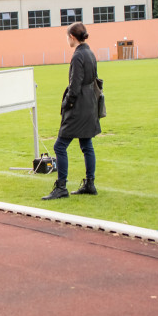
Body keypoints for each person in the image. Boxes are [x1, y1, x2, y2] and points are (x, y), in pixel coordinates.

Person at [43, 22, 101, 200]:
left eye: (67, 36)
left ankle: (61, 186)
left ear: (72, 37)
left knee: (59, 146)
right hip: (90, 103)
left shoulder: (78, 56)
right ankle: (90, 183)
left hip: (79, 105)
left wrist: (67, 104)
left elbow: (74, 86)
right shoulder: (89, 52)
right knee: (86, 145)